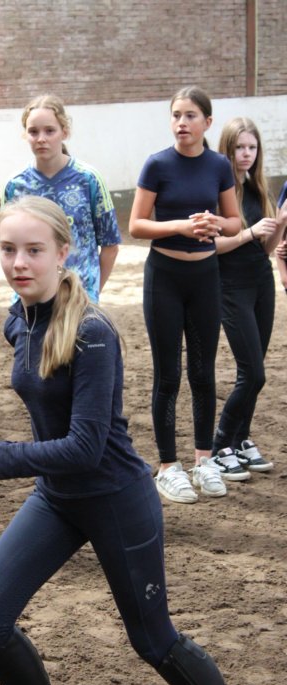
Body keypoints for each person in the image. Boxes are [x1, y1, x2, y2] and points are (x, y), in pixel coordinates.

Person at [0, 196, 261, 685]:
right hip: (57, 499)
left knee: (153, 641)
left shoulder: (93, 332)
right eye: (8, 250)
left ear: (63, 252)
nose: (19, 263)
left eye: (34, 250)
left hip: (116, 499)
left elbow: (85, 447)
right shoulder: (19, 319)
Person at [129, 85, 242, 504]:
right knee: (168, 375)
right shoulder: (157, 164)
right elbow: (136, 225)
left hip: (205, 277)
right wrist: (179, 226)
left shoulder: (219, 165)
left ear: (207, 122)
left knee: (203, 372)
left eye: (190, 115)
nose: (182, 122)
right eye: (176, 115)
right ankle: (167, 466)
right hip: (165, 276)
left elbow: (235, 221)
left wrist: (215, 223)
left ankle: (204, 460)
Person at [212, 118, 287, 472]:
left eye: (252, 147)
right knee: (253, 373)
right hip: (230, 286)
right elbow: (214, 246)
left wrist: (281, 223)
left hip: (261, 284)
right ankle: (219, 445)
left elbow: (267, 249)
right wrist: (249, 232)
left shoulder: (259, 189)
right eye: (239, 147)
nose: (246, 154)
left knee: (256, 370)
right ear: (227, 149)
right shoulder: (218, 191)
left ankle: (241, 439)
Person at [2, 93, 121, 303]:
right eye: (33, 131)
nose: (41, 139)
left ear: (64, 132)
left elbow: (110, 244)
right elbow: (8, 244)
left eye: (49, 131)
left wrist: (91, 294)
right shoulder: (15, 185)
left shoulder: (89, 179)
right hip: (31, 303)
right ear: (25, 135)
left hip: (79, 300)